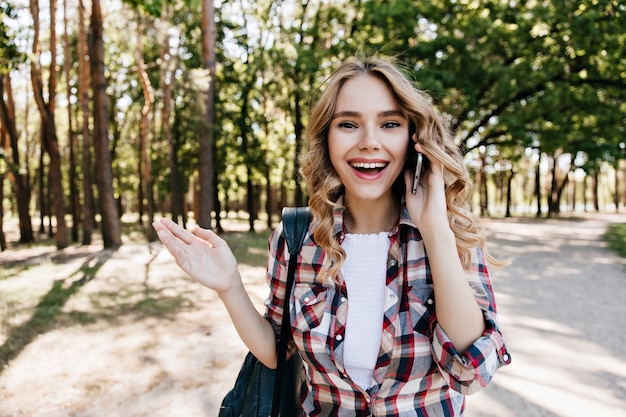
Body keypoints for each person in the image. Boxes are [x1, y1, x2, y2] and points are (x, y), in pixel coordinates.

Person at [153, 55, 511, 416]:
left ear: (413, 138)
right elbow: (277, 351)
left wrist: (434, 231)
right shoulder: (297, 239)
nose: (370, 142)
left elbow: (471, 373)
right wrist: (229, 285)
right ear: (326, 138)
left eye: (389, 123)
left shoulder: (451, 235)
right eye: (348, 125)